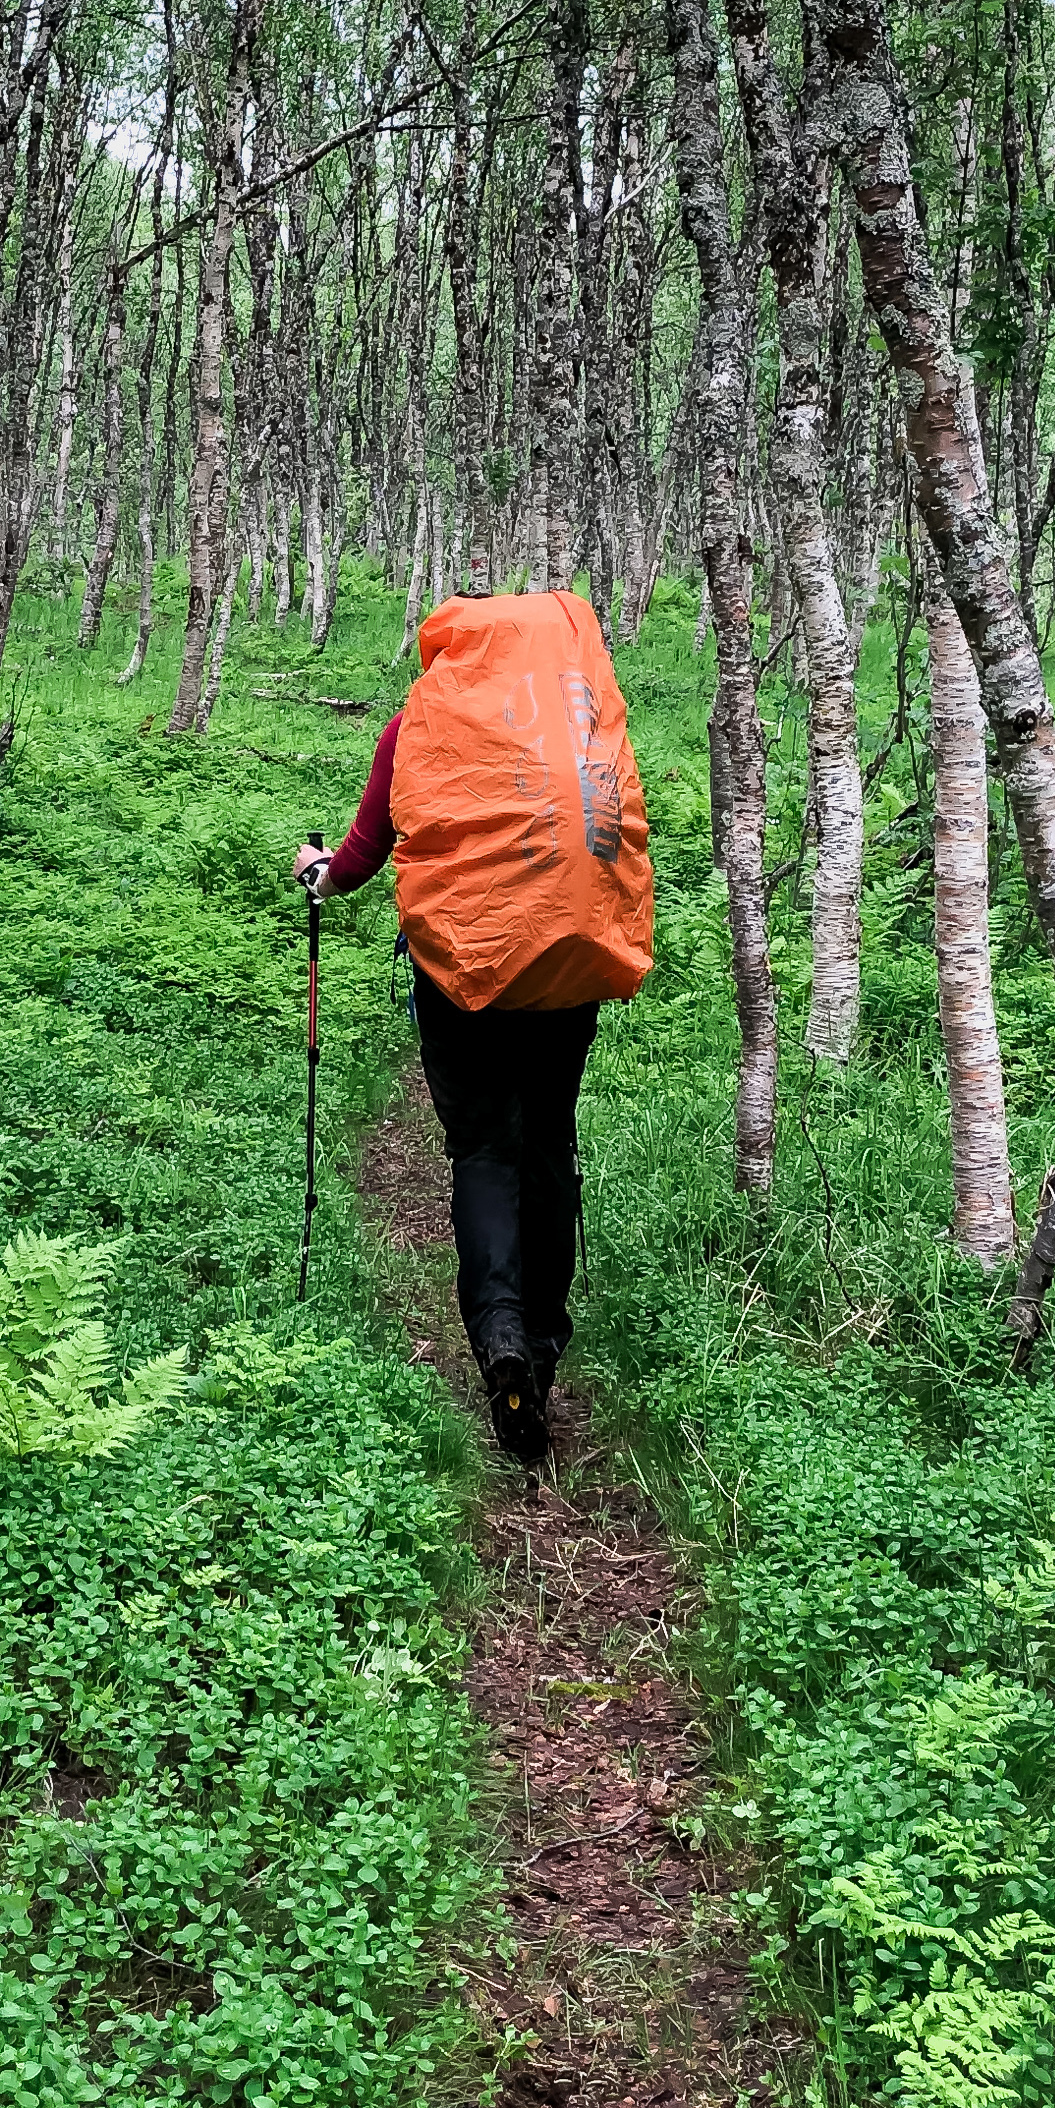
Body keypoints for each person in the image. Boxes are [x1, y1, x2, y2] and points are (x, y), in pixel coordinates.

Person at [296, 589, 653, 1483]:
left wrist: (318, 874)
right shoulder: (584, 719)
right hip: (570, 966)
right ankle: (540, 1342)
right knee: (549, 1146)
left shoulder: (420, 721)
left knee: (484, 1149)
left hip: (464, 975)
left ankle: (497, 1335)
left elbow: (366, 852)